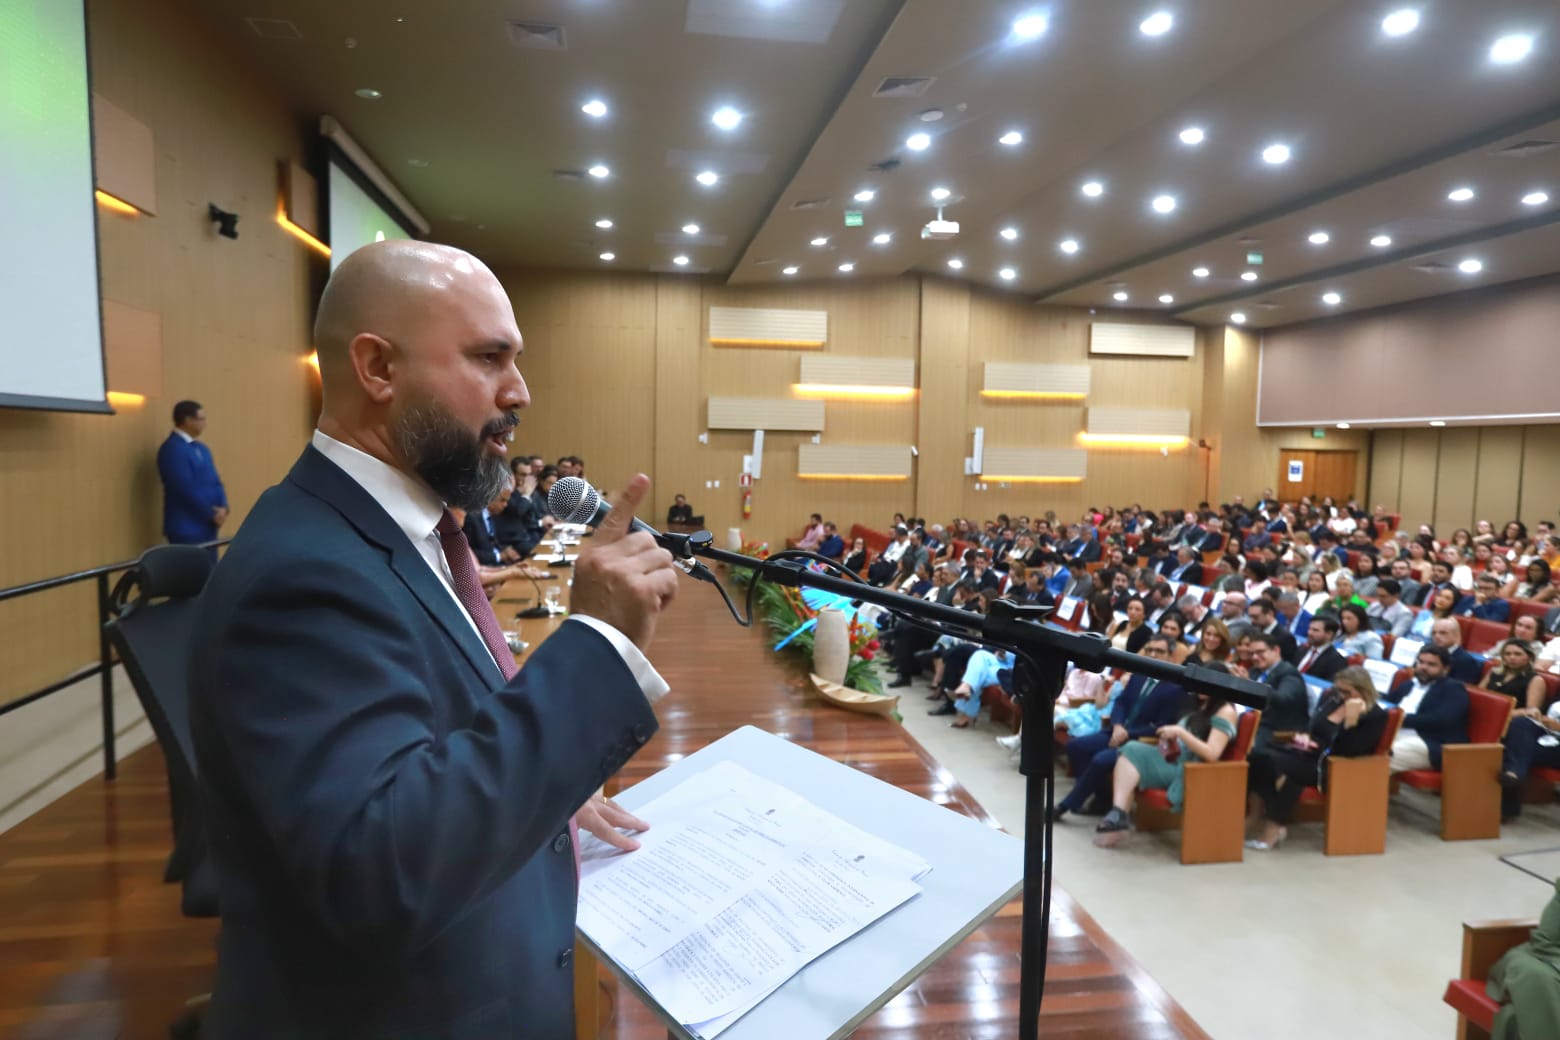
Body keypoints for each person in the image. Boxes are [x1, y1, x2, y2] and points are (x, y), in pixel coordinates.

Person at [188, 241, 682, 1038]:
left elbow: (428, 744)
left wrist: (549, 786)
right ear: (378, 369)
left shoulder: (396, 532)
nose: (519, 391)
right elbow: (382, 870)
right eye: (490, 358)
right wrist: (594, 641)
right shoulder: (305, 574)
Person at [1244, 667, 1389, 851]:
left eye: (1347, 692)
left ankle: (1272, 829)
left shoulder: (1375, 715)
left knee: (1289, 773)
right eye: (1339, 690)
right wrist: (1305, 736)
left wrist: (1350, 720)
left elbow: (1350, 750)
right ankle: (1256, 815)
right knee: (1259, 758)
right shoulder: (1333, 700)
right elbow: (1313, 726)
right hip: (1308, 753)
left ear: (1363, 690)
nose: (1342, 695)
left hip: (1331, 765)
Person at [1092, 668, 1239, 847]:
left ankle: (1118, 818)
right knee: (1130, 751)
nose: (1201, 687)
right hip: (1173, 757)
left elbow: (1212, 753)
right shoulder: (1201, 703)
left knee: (1131, 754)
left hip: (1190, 769)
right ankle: (1119, 816)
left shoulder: (1225, 711)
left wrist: (1180, 732)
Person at [1382, 645, 1470, 773]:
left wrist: (1399, 719)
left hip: (1429, 742)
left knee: (1380, 756)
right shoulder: (1408, 684)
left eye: (1431, 664)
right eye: (1421, 662)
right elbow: (1388, 704)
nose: (1423, 667)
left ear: (1445, 669)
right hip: (1397, 732)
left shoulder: (1453, 689)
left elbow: (1441, 720)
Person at [157, 399, 229, 545]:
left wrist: (223, 507)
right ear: (188, 420)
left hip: (209, 527)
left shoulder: (201, 448)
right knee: (189, 567)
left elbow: (215, 481)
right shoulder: (172, 449)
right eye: (201, 419)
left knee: (210, 567)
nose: (205, 423)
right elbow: (183, 488)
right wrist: (210, 513)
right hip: (187, 527)